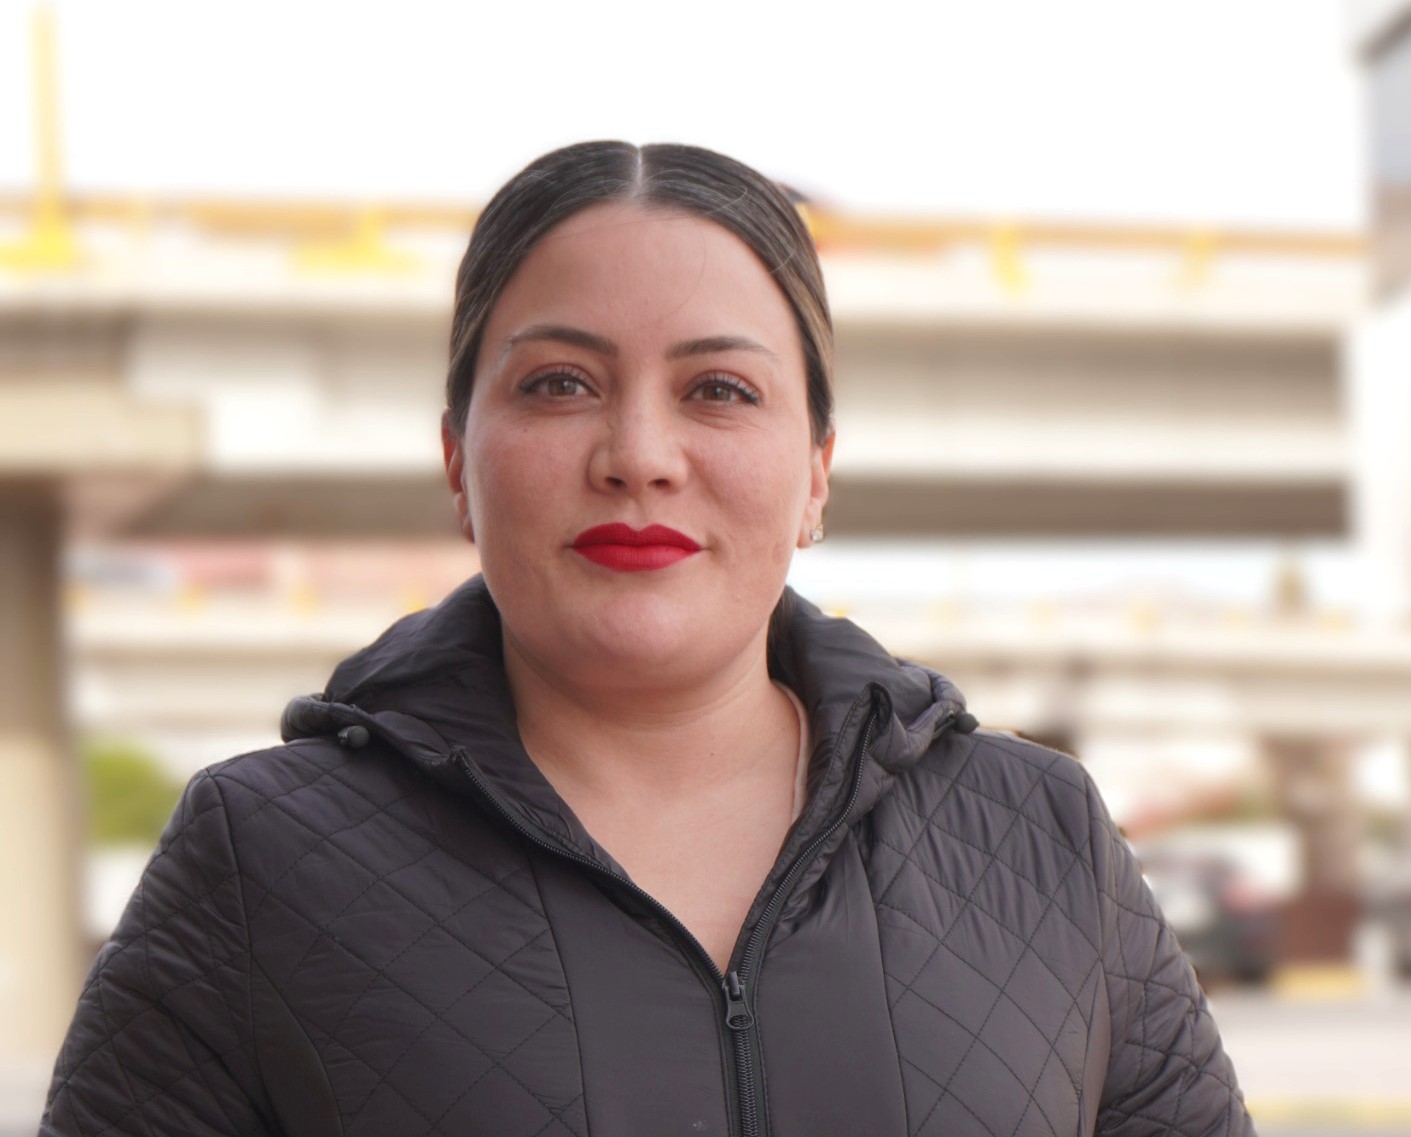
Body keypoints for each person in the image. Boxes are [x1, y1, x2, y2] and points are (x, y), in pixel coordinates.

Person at [42, 141, 1254, 1137]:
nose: (639, 454)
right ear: (458, 459)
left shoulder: (1039, 840)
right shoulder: (263, 858)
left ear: (816, 473)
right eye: (559, 384)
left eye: (719, 390)